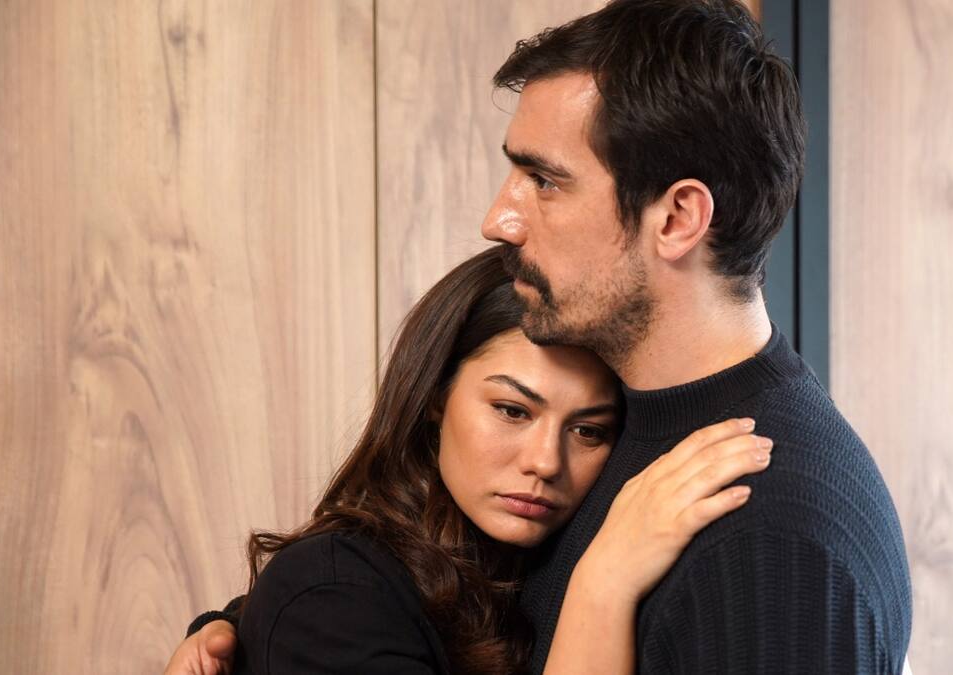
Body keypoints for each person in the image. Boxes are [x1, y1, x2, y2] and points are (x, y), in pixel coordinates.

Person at [171, 0, 914, 672]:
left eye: (546, 181)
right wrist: (256, 627)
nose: (499, 220)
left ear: (677, 218)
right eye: (512, 410)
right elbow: (444, 595)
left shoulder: (768, 541)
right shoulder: (629, 424)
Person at [168, 247, 774, 674]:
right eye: (512, 410)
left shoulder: (519, 561)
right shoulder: (332, 594)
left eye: (588, 430)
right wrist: (604, 585)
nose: (545, 462)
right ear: (436, 397)